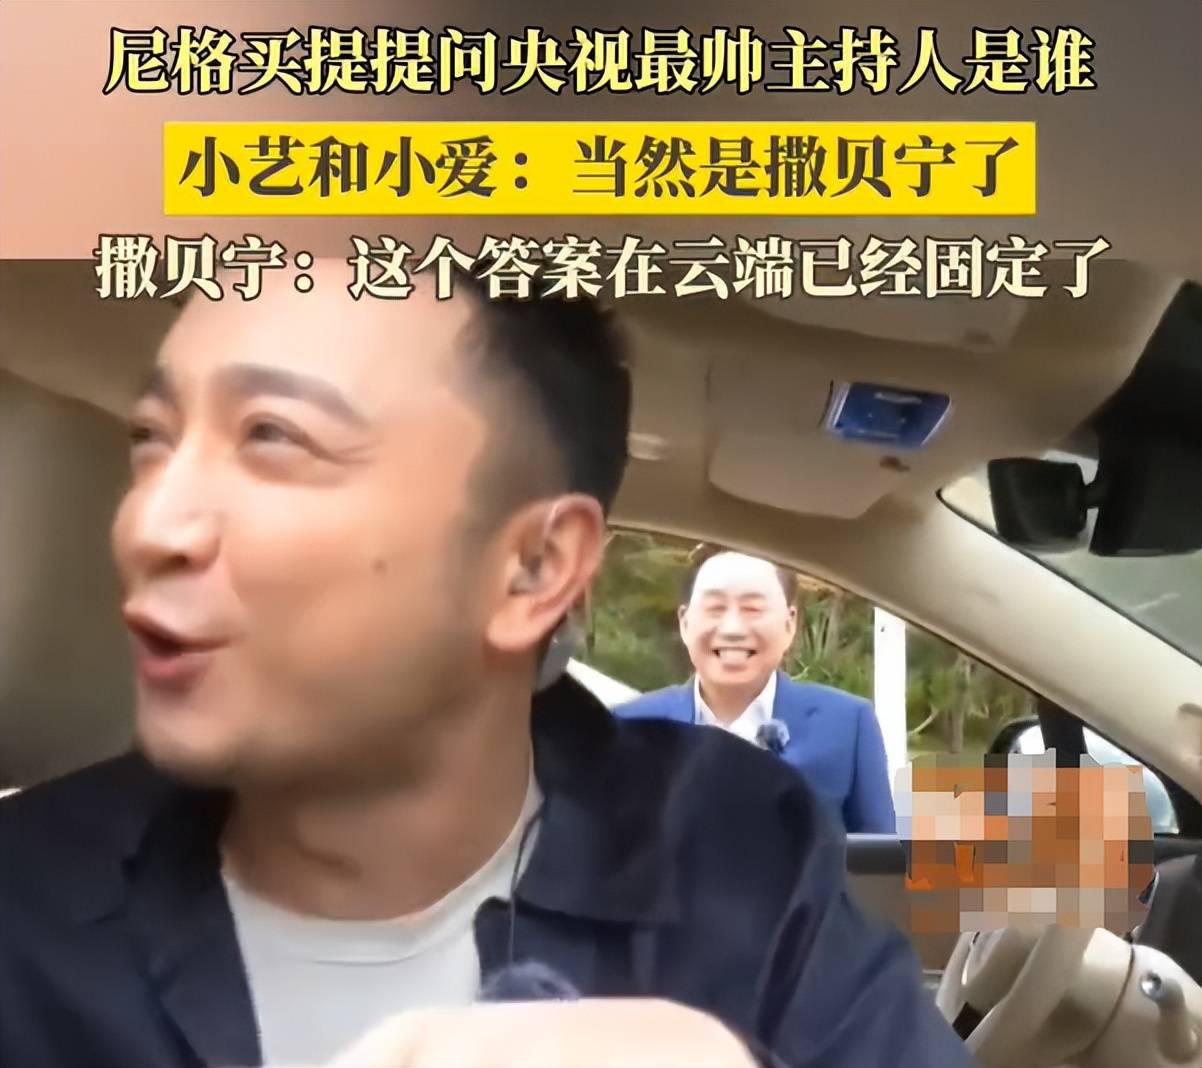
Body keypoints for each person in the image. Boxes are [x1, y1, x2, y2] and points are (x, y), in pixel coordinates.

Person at [0, 263, 971, 1068]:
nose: (150, 523)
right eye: (151, 441)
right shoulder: (26, 907)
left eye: (272, 437)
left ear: (534, 568)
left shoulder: (736, 850)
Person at [615, 549, 897, 835]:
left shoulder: (847, 725)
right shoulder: (627, 727)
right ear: (685, 623)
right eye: (715, 608)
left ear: (789, 624)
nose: (733, 629)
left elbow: (879, 858)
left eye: (752, 609)